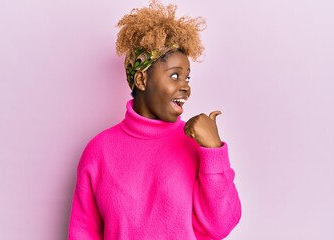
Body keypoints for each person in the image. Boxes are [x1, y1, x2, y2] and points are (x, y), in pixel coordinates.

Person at [68, 1, 241, 239]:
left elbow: (219, 226)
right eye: (174, 76)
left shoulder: (194, 144)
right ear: (141, 80)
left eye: (187, 79)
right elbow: (83, 233)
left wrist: (213, 151)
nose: (185, 88)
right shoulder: (99, 151)